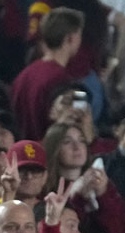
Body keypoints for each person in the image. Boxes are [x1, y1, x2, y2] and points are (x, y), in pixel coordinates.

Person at [10, 9, 83, 140]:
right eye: (79, 35)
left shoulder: (25, 74)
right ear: (70, 38)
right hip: (46, 154)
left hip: (24, 152)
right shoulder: (60, 78)